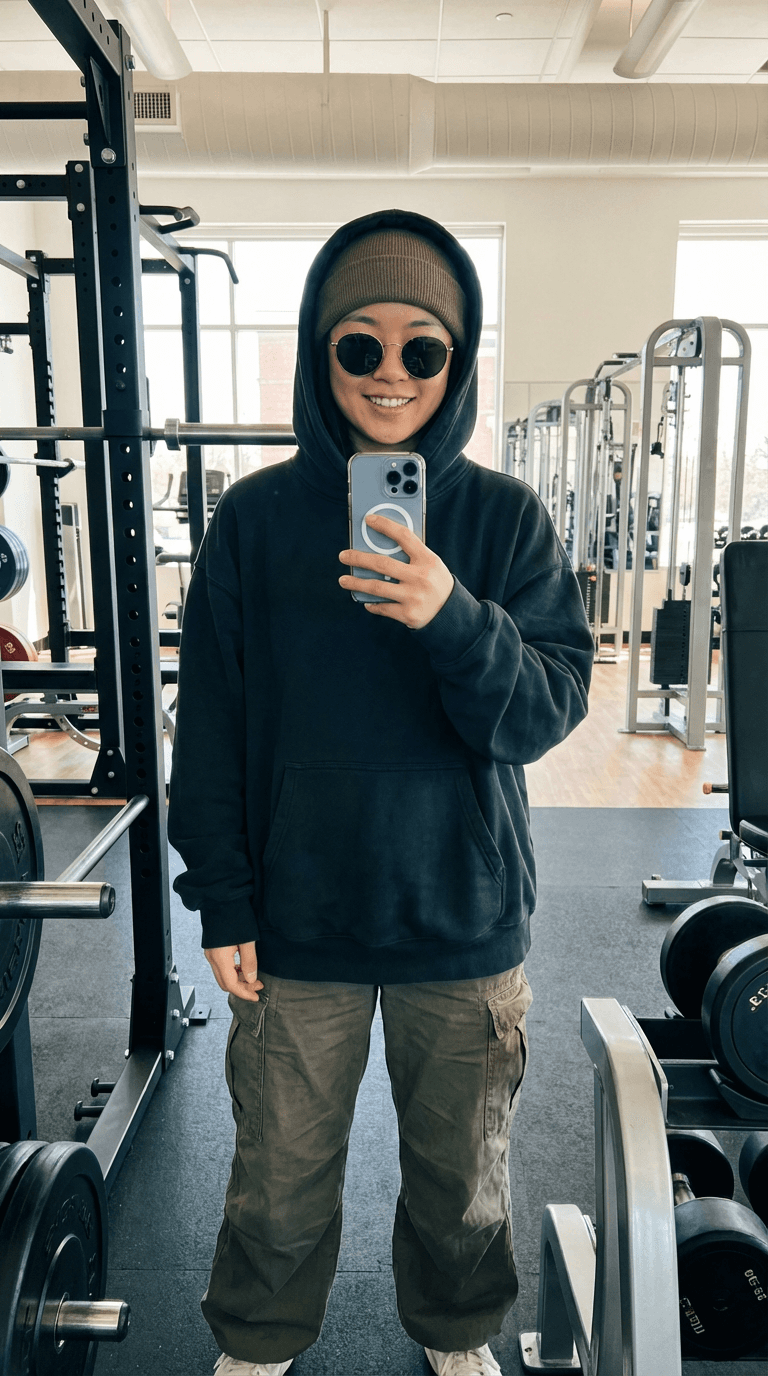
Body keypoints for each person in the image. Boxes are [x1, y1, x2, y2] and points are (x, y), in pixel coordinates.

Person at [168, 209, 594, 1376]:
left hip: (459, 914)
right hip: (295, 917)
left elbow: (543, 710)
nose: (390, 372)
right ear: (322, 353)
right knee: (277, 1172)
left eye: (422, 347)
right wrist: (222, 898)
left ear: (457, 361)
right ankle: (261, 1338)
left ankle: (456, 1331)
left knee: (464, 1177)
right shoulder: (255, 521)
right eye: (360, 344)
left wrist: (451, 616)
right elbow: (210, 728)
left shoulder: (504, 518)